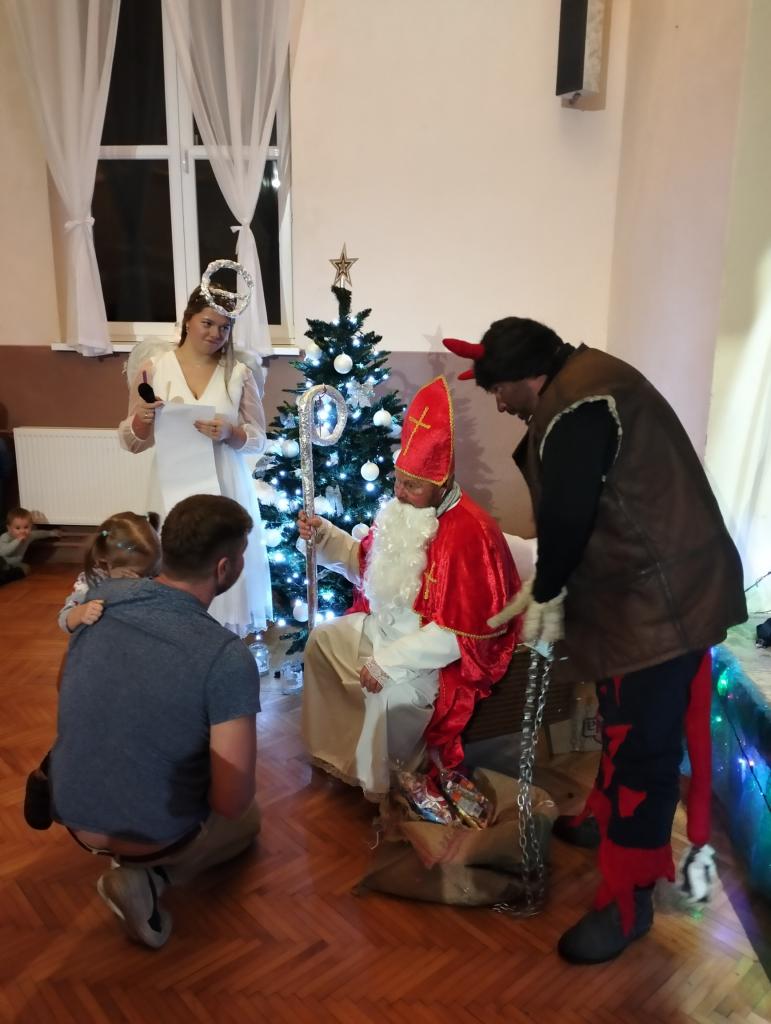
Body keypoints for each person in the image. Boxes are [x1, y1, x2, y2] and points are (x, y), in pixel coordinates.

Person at [443, 320, 747, 964]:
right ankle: (604, 818)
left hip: (660, 608)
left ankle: (628, 903)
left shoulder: (580, 402)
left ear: (526, 375)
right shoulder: (583, 383)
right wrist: (550, 584)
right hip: (647, 600)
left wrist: (547, 587)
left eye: (498, 389)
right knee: (623, 729)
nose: (498, 403)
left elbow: (569, 511)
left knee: (643, 755)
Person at [49, 494, 261, 949]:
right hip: (152, 835)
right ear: (224, 568)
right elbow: (231, 800)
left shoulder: (100, 598)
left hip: (71, 812)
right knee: (247, 820)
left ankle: (135, 865)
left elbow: (64, 684)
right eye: (242, 556)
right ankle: (152, 877)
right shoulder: (226, 656)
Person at [299, 375, 522, 799]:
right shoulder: (403, 510)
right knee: (322, 642)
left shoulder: (472, 533)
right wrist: (325, 536)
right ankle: (335, 753)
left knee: (388, 695)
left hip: (430, 655)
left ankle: (381, 788)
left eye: (412, 486)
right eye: (398, 480)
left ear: (443, 483)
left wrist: (389, 661)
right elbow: (369, 565)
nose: (400, 493)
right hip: (383, 626)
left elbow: (463, 634)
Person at [118, 284, 272, 636]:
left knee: (219, 554)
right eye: (208, 323)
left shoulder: (239, 373)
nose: (215, 333)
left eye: (224, 327)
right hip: (172, 482)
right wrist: (143, 419)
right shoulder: (154, 369)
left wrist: (231, 433)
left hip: (224, 482)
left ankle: (221, 639)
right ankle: (174, 634)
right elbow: (132, 442)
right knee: (175, 557)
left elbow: (258, 438)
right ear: (188, 320)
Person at [24, 511, 162, 831]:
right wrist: (80, 613)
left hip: (130, 668)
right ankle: (45, 778)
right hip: (92, 671)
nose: (136, 581)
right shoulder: (91, 584)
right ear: (104, 563)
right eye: (130, 575)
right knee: (81, 733)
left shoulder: (149, 574)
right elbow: (64, 619)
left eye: (142, 575)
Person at [0, 506, 60, 576]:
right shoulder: (5, 537)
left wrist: (52, 533)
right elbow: (3, 552)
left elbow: (39, 534)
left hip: (13, 564)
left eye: (26, 527)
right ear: (9, 528)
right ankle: (5, 574)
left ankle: (8, 575)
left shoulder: (28, 536)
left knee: (26, 567)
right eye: (17, 528)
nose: (22, 531)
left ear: (30, 526)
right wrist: (17, 540)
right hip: (2, 561)